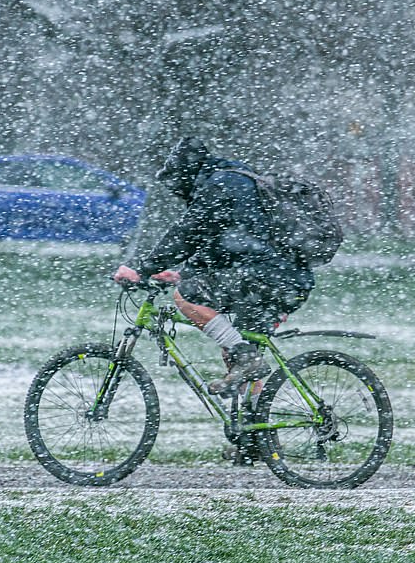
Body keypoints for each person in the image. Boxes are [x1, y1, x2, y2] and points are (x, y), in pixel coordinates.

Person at [113, 136, 314, 396]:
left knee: (187, 296)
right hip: (286, 279)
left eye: (177, 182)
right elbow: (223, 244)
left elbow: (187, 234)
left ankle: (247, 360)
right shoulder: (236, 180)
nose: (177, 190)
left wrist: (143, 268)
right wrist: (183, 272)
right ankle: (254, 428)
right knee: (236, 351)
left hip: (270, 277)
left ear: (187, 174)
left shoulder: (221, 184)